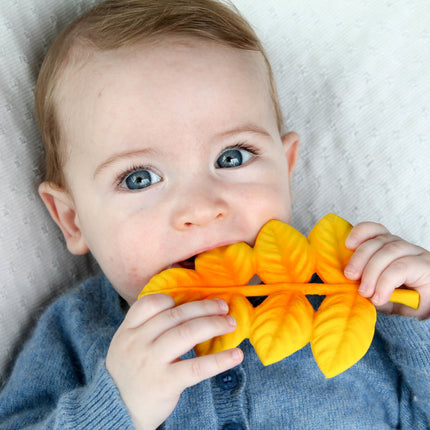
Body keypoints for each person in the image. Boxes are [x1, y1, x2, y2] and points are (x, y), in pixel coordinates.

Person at [1, 0, 429, 428]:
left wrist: (421, 320)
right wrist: (117, 407)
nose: (203, 209)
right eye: (139, 179)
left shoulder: (363, 298)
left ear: (287, 169)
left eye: (232, 157)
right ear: (72, 220)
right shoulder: (76, 332)